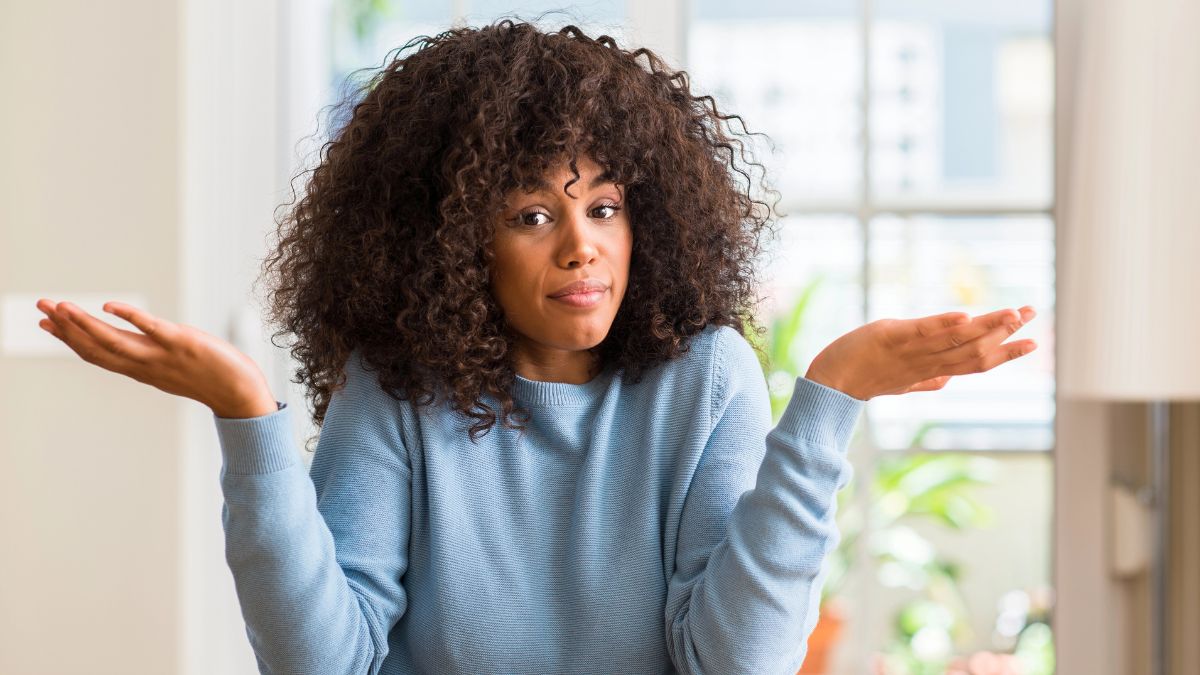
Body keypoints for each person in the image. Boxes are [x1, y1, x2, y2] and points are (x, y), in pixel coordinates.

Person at [34, 18, 1037, 675]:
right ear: (453, 240)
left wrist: (830, 396)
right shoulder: (399, 392)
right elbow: (327, 665)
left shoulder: (706, 378)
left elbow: (734, 664)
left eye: (604, 205)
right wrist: (248, 419)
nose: (581, 246)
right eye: (529, 214)